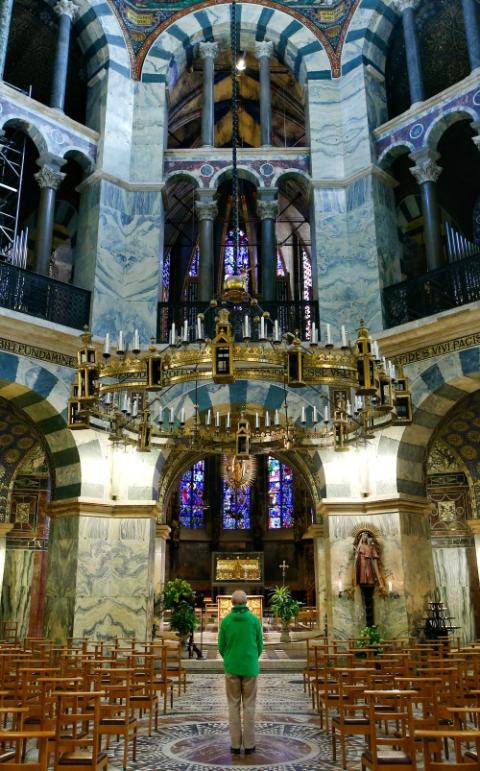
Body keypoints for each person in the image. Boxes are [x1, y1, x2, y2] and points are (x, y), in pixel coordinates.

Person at [217, 590, 263, 755]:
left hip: (232, 668)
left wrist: (230, 659)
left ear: (232, 603)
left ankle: (235, 745)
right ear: (246, 603)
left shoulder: (226, 621)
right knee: (249, 706)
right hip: (250, 668)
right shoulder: (254, 620)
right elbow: (260, 645)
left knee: (233, 705)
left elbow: (221, 646)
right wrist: (251, 659)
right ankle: (249, 745)